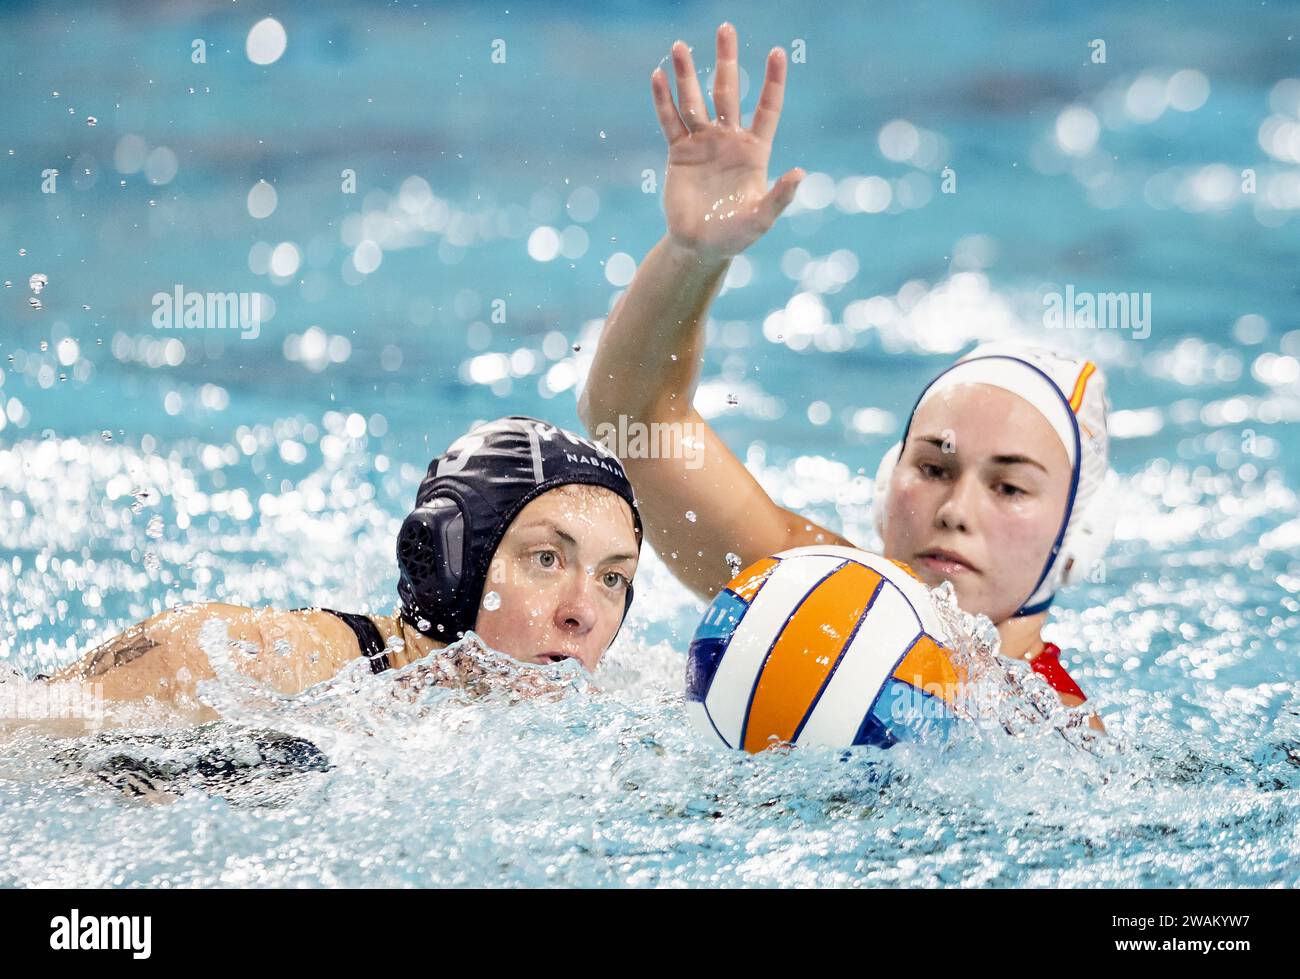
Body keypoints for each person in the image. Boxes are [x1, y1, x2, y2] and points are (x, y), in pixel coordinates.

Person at [577, 23, 1114, 730]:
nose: (955, 509)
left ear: (1075, 541)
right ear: (886, 482)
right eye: (933, 466)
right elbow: (634, 417)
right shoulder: (809, 592)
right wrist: (692, 254)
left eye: (1009, 485)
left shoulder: (1059, 736)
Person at [45, 416, 643, 722]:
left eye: (612, 578)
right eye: (546, 559)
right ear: (447, 563)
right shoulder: (267, 663)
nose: (583, 612)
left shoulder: (619, 708)